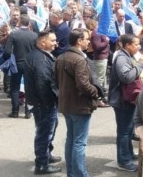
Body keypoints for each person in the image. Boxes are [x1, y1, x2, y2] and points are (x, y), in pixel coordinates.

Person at [55, 28, 100, 177]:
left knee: (72, 139)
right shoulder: (79, 59)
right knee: (79, 142)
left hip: (67, 104)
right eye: (86, 39)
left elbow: (56, 80)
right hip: (79, 105)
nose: (88, 41)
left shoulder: (61, 57)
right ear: (79, 41)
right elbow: (83, 84)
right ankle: (80, 174)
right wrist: (96, 92)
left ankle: (72, 173)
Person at [25, 31, 61, 175]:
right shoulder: (40, 59)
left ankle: (46, 155)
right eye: (52, 40)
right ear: (42, 42)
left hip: (40, 102)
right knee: (44, 133)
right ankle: (41, 164)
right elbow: (43, 83)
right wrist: (49, 104)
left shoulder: (40, 55)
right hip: (43, 104)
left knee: (49, 129)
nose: (55, 43)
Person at [109, 34, 143, 172]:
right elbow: (126, 77)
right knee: (124, 131)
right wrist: (140, 64)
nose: (138, 47)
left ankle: (128, 153)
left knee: (129, 129)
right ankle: (124, 161)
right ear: (127, 45)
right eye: (136, 44)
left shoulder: (129, 56)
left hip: (129, 99)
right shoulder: (122, 58)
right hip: (122, 100)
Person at [4, 14, 38, 119]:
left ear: (19, 22)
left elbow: (7, 51)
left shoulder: (14, 34)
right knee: (29, 88)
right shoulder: (34, 35)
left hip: (17, 63)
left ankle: (15, 111)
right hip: (30, 64)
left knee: (15, 87)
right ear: (29, 23)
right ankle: (28, 112)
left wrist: (7, 60)